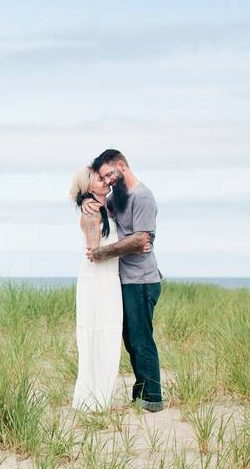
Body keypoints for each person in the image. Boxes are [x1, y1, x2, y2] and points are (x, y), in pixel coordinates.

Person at [83, 149, 164, 412]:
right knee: (131, 339)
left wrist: (102, 252)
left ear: (121, 166)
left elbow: (141, 239)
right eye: (104, 178)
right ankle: (140, 393)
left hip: (142, 279)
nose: (107, 181)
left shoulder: (143, 196)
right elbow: (101, 209)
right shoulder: (119, 197)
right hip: (125, 279)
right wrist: (84, 200)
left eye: (109, 175)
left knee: (141, 339)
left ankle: (152, 397)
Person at [69, 166, 151, 411]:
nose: (105, 181)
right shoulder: (93, 211)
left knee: (109, 335)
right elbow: (95, 252)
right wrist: (133, 246)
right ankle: (93, 398)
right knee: (99, 333)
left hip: (109, 279)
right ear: (87, 185)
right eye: (98, 178)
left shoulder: (105, 207)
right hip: (98, 280)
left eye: (105, 177)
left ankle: (100, 396)